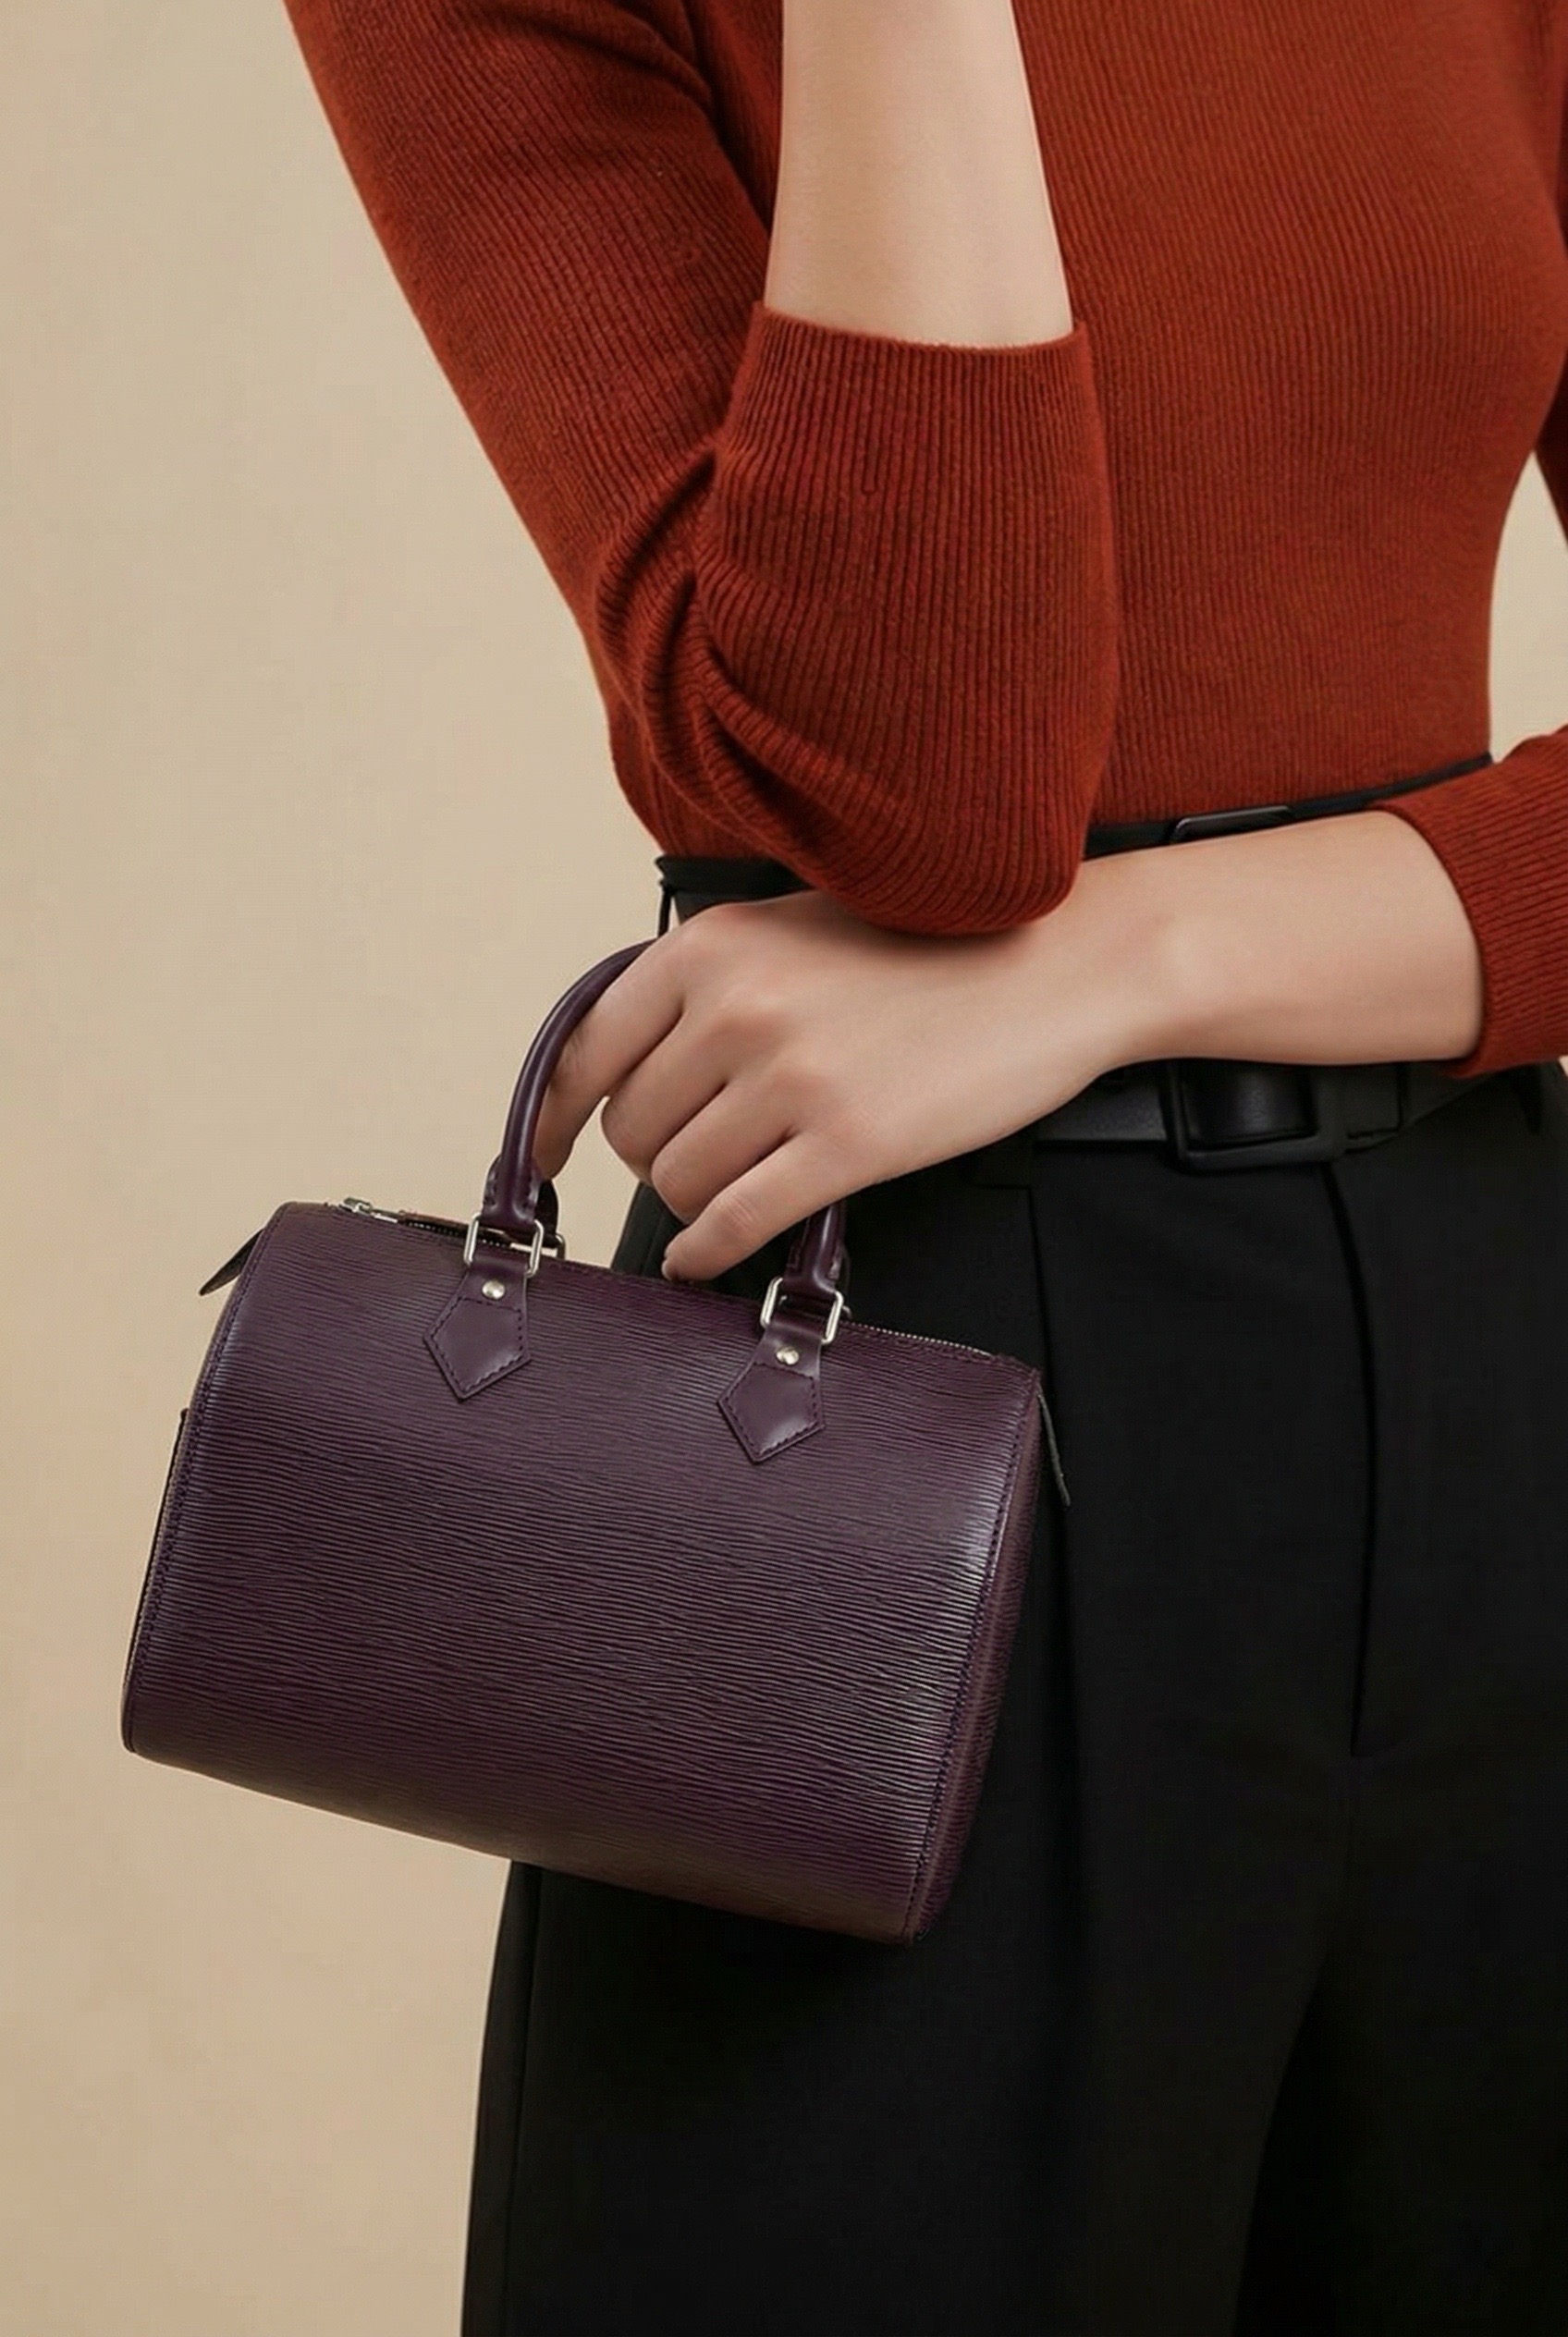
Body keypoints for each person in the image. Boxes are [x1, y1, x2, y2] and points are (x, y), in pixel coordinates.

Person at [277, 2, 1568, 2328]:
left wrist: (1133, 963)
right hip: (867, 1411)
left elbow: (996, 919)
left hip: (1493, 1384)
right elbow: (922, 790)